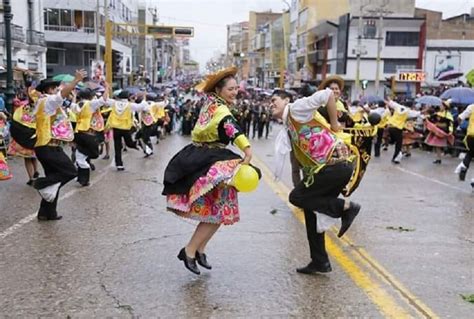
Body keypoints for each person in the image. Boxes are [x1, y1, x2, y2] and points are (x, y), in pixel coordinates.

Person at [162, 66, 256, 275]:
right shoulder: (222, 110)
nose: (234, 92)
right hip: (212, 160)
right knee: (218, 210)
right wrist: (247, 150)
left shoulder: (211, 104)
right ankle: (189, 251)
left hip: (202, 157)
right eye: (230, 89)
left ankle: (199, 249)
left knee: (218, 210)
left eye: (236, 89)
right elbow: (231, 128)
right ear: (219, 90)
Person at [271, 87, 361, 275]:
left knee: (296, 197)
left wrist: (335, 124)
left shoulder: (296, 108)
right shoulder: (288, 124)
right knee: (312, 214)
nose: (271, 104)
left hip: (334, 165)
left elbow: (327, 94)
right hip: (330, 167)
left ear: (286, 101)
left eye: (275, 100)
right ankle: (319, 261)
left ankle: (345, 207)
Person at [33, 70, 86, 221]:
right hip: (48, 146)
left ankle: (46, 213)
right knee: (70, 171)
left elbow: (71, 106)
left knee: (54, 178)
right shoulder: (48, 101)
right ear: (48, 90)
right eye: (55, 88)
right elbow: (62, 95)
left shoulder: (47, 103)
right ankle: (41, 184)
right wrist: (75, 80)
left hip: (48, 145)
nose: (57, 90)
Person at [71, 87, 109, 186]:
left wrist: (74, 96)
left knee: (80, 157)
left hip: (78, 133)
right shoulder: (90, 104)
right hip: (88, 134)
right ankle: (84, 179)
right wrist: (107, 88)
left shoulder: (78, 105)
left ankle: (81, 178)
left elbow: (72, 106)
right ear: (90, 96)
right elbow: (103, 100)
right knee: (88, 156)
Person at [105, 91, 149, 171]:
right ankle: (136, 144)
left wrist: (106, 89)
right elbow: (141, 107)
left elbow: (105, 99)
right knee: (129, 143)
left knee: (117, 146)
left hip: (116, 128)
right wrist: (144, 98)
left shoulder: (114, 103)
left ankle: (119, 164)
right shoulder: (130, 105)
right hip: (125, 128)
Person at [8, 95, 40, 185]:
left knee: (27, 159)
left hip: (23, 136)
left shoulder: (23, 108)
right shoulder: (40, 109)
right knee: (33, 156)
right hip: (35, 135)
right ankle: (36, 171)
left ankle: (31, 178)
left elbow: (16, 119)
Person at [454, 103, 474, 187]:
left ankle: (464, 166)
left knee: (470, 153)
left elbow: (460, 118)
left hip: (471, 136)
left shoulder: (472, 107)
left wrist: (457, 125)